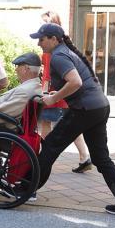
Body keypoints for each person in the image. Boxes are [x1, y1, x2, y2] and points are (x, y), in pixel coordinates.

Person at [30, 23, 115, 217]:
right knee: (100, 157)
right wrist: (61, 94)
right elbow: (78, 83)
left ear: (54, 39)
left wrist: (53, 99)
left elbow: (76, 82)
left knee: (50, 147)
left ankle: (26, 188)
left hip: (84, 109)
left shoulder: (58, 56)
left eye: (42, 39)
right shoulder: (65, 52)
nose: (39, 43)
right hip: (99, 107)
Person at [39, 11, 92, 173]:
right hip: (66, 94)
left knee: (45, 122)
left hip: (54, 93)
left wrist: (44, 93)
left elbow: (48, 74)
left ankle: (45, 157)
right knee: (71, 125)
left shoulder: (50, 48)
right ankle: (84, 156)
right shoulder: (65, 44)